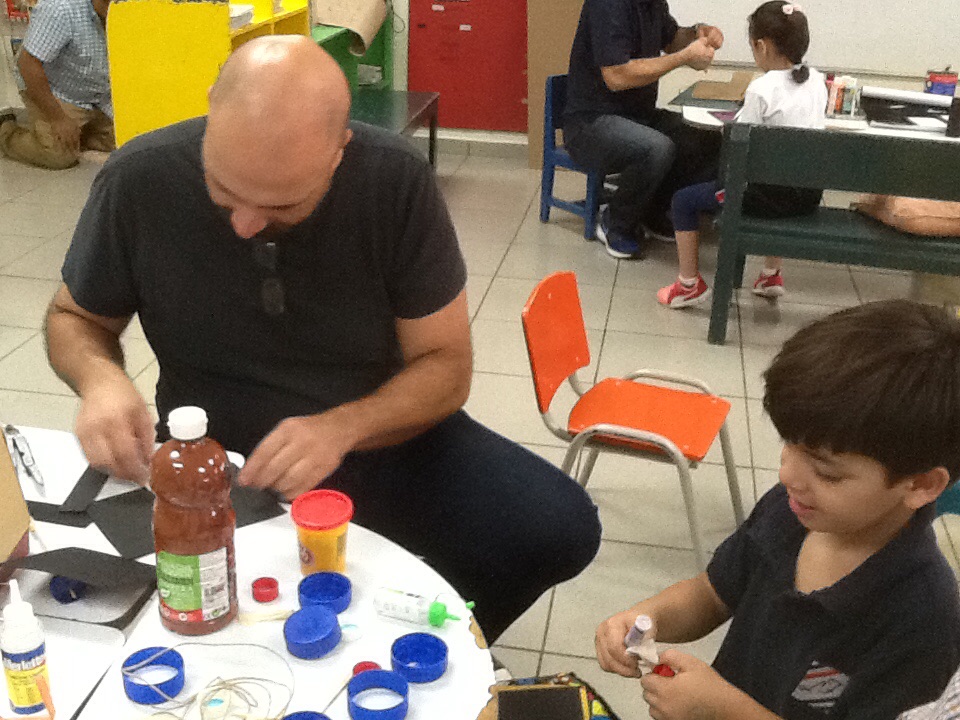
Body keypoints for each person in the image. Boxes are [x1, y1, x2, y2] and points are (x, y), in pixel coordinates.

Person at [43, 36, 602, 644]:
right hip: (219, 451)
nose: (245, 224)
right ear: (211, 107)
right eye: (224, 191)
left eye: (283, 205)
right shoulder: (138, 179)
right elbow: (74, 318)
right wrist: (100, 380)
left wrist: (343, 427)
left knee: (558, 527)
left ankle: (433, 643)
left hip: (381, 433)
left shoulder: (394, 182)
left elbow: (445, 366)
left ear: (340, 151)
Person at [595, 300, 960, 719]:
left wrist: (723, 711)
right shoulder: (793, 511)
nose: (787, 474)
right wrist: (648, 617)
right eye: (789, 445)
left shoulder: (925, 622)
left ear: (920, 485)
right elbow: (712, 594)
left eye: (827, 472)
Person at [657, 1, 826, 309]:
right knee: (782, 171)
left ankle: (688, 284)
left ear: (762, 46)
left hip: (764, 197)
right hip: (807, 195)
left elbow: (738, 140)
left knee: (683, 200)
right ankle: (771, 275)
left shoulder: (761, 88)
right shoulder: (817, 81)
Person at [563, 0, 725, 259]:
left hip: (640, 116)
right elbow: (617, 76)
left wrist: (698, 33)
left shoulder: (652, 3)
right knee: (656, 148)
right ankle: (615, 221)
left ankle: (651, 210)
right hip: (590, 123)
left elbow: (672, 40)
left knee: (707, 139)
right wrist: (683, 58)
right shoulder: (609, 5)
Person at [0, 0, 114, 169]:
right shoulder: (59, 8)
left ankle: (78, 133)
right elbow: (28, 65)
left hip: (98, 92)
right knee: (59, 155)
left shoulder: (132, 9)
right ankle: (5, 131)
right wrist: (58, 119)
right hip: (57, 90)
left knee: (132, 140)